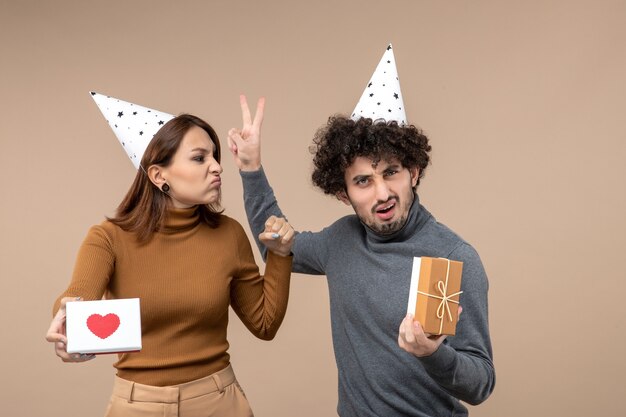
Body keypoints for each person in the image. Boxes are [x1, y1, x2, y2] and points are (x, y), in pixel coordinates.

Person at [227, 45, 495, 416]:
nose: (382, 192)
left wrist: (435, 354)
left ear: (413, 172)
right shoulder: (340, 242)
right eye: (364, 181)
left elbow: (480, 383)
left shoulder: (452, 257)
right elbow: (275, 244)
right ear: (343, 194)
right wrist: (251, 168)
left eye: (391, 173)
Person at [46, 95, 295, 417]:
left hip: (218, 402)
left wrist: (279, 255)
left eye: (215, 156)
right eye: (199, 158)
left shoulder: (229, 234)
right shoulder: (108, 238)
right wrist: (66, 320)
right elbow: (78, 297)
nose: (217, 166)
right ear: (158, 176)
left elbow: (265, 324)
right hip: (136, 406)